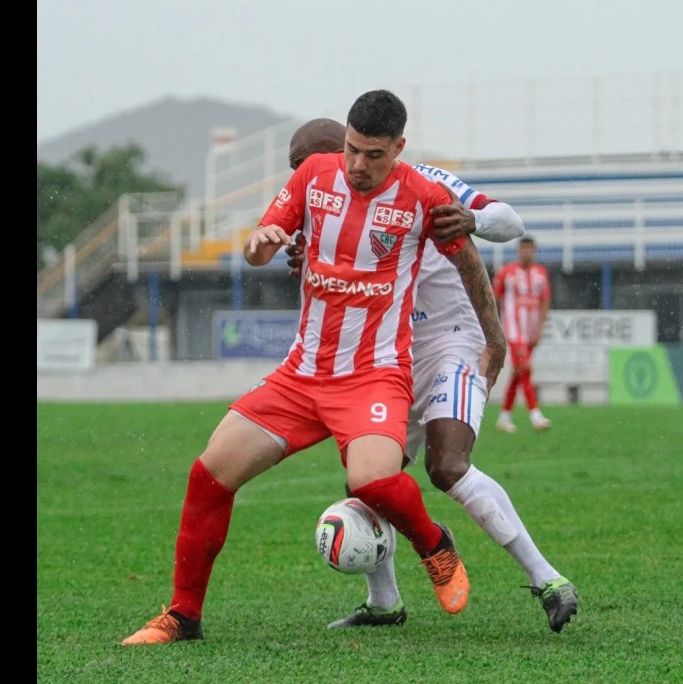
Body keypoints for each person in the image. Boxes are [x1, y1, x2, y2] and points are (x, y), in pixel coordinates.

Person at [121, 90, 505, 645]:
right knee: (209, 475)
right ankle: (182, 617)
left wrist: (493, 339)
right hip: (302, 375)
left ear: (398, 148)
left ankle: (433, 544)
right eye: (351, 149)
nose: (357, 165)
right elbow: (259, 246)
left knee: (371, 479)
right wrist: (261, 242)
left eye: (373, 155)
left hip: (374, 372)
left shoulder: (424, 196)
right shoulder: (314, 177)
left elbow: (469, 260)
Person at [284, 118, 579, 634]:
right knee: (373, 481)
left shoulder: (424, 185)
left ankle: (548, 579)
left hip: (451, 343)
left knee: (446, 466)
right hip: (385, 360)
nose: (308, 176)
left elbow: (508, 221)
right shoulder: (323, 209)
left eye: (309, 163)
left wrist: (469, 219)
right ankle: (385, 603)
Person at [492, 236, 553, 432]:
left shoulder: (540, 273)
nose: (526, 252)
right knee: (525, 367)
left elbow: (544, 302)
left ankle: (504, 416)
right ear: (519, 250)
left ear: (534, 250)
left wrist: (540, 329)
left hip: (531, 331)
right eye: (523, 248)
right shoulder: (506, 273)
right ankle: (535, 414)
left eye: (529, 248)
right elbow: (492, 298)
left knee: (518, 372)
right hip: (513, 329)